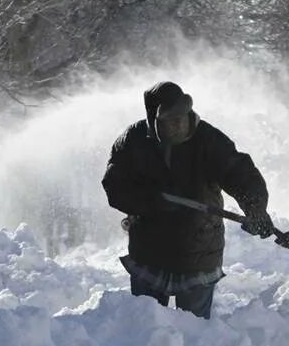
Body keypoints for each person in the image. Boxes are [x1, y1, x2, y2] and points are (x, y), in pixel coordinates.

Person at [102, 81, 274, 319]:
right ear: (154, 120)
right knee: (149, 328)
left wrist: (256, 210)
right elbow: (114, 186)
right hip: (149, 252)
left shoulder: (209, 140)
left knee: (195, 333)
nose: (179, 123)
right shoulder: (134, 140)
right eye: (170, 119)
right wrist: (151, 202)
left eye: (182, 116)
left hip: (199, 250)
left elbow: (240, 173)